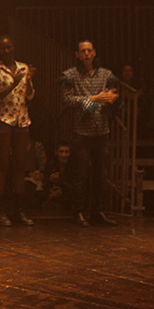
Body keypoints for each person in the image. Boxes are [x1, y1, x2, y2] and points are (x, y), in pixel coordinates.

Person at [61, 39, 119, 227]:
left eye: (89, 50)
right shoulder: (70, 75)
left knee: (101, 175)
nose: (86, 54)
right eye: (82, 51)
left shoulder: (106, 74)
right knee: (81, 175)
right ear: (77, 54)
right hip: (82, 132)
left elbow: (114, 96)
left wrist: (110, 98)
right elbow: (67, 100)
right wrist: (93, 99)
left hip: (101, 130)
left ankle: (98, 211)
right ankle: (78, 211)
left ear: (94, 53)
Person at [0, 35, 35, 227]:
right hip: (3, 119)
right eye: (2, 48)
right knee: (3, 164)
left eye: (9, 47)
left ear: (14, 47)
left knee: (20, 164)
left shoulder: (23, 67)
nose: (6, 51)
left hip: (22, 119)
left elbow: (30, 95)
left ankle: (19, 210)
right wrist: (13, 83)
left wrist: (28, 80)